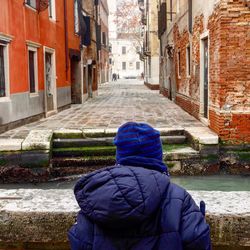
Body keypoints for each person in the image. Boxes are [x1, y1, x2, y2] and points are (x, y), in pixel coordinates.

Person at [68, 122, 211, 250]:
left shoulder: (96, 198)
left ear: (119, 157)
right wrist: (198, 220)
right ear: (157, 156)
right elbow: (198, 242)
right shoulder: (179, 198)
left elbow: (79, 240)